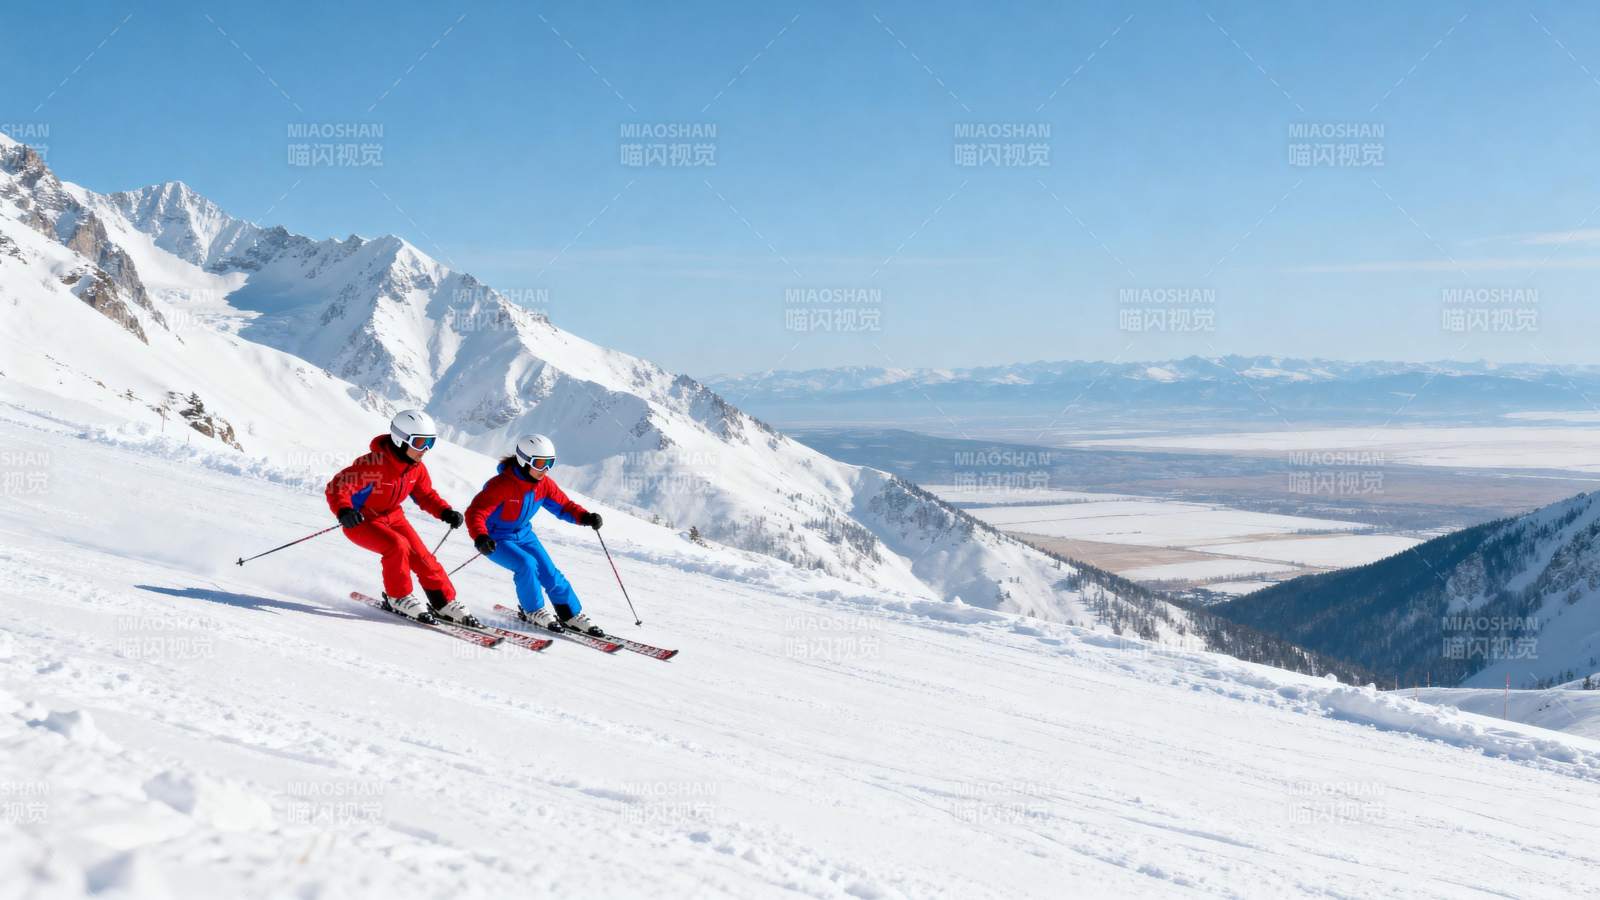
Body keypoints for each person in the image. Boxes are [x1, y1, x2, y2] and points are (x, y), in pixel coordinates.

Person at [325, 409, 477, 626]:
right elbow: (339, 487)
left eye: (430, 443)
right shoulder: (374, 463)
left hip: (394, 517)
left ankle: (444, 603)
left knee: (423, 558)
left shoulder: (416, 468)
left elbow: (425, 495)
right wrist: (344, 511)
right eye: (420, 442)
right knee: (397, 545)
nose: (425, 449)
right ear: (400, 439)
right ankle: (398, 597)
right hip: (361, 521)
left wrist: (444, 511)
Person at [465, 434, 605, 636]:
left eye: (550, 463)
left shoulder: (544, 484)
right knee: (526, 564)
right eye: (540, 463)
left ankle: (571, 615)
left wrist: (585, 517)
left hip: (524, 534)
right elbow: (476, 512)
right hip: (495, 538)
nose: (545, 469)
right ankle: (533, 611)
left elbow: (564, 506)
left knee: (549, 572)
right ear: (524, 461)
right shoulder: (501, 485)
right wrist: (480, 537)